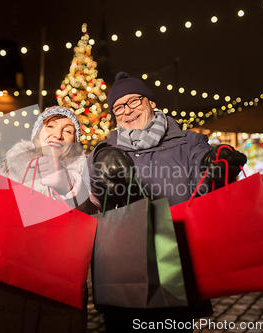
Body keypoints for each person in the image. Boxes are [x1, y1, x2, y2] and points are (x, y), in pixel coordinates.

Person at [85, 72, 247, 332]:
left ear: (151, 102)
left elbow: (203, 177)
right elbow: (95, 192)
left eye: (133, 101)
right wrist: (102, 166)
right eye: (118, 107)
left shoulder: (188, 142)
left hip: (176, 266)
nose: (126, 111)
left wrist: (214, 165)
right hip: (122, 271)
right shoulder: (104, 149)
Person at [0, 106, 89, 333]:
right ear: (37, 133)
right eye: (50, 126)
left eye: (68, 131)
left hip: (57, 312)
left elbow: (89, 224)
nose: (58, 134)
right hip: (1, 303)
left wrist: (68, 187)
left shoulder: (85, 178)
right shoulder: (5, 169)